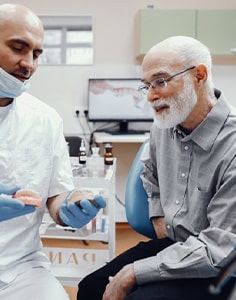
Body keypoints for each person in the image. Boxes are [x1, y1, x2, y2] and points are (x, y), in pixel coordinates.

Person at [0, 3, 106, 300]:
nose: (29, 63)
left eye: (36, 54)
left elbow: (56, 195)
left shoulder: (46, 120)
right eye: (18, 48)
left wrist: (69, 207)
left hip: (21, 271)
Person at [77, 35, 236, 300]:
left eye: (160, 81)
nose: (150, 96)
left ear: (199, 75)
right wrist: (157, 215)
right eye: (146, 85)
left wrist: (134, 272)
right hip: (174, 246)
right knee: (91, 288)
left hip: (219, 263)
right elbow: (149, 173)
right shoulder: (163, 126)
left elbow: (218, 249)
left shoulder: (231, 145)